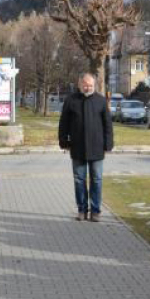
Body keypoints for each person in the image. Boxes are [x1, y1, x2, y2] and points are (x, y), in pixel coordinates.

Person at [58, 73, 113, 222]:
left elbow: (107, 124)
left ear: (94, 85)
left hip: (97, 148)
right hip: (77, 147)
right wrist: (64, 142)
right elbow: (63, 123)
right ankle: (82, 210)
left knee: (97, 179)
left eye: (90, 85)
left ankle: (95, 211)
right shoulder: (71, 100)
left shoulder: (101, 101)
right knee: (79, 180)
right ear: (79, 84)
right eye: (85, 84)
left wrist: (108, 144)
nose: (87, 87)